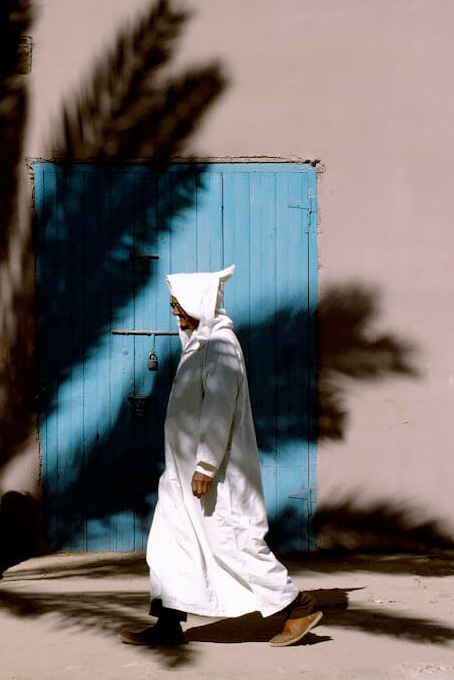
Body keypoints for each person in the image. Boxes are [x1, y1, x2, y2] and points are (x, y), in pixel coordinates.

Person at [119, 266, 322, 647]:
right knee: (169, 544)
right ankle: (168, 624)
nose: (175, 312)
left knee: (235, 543)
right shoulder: (199, 344)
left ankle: (298, 607)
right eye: (173, 305)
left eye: (179, 305)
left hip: (213, 474)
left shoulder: (221, 345)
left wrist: (206, 465)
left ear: (197, 302)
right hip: (179, 473)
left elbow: (218, 408)